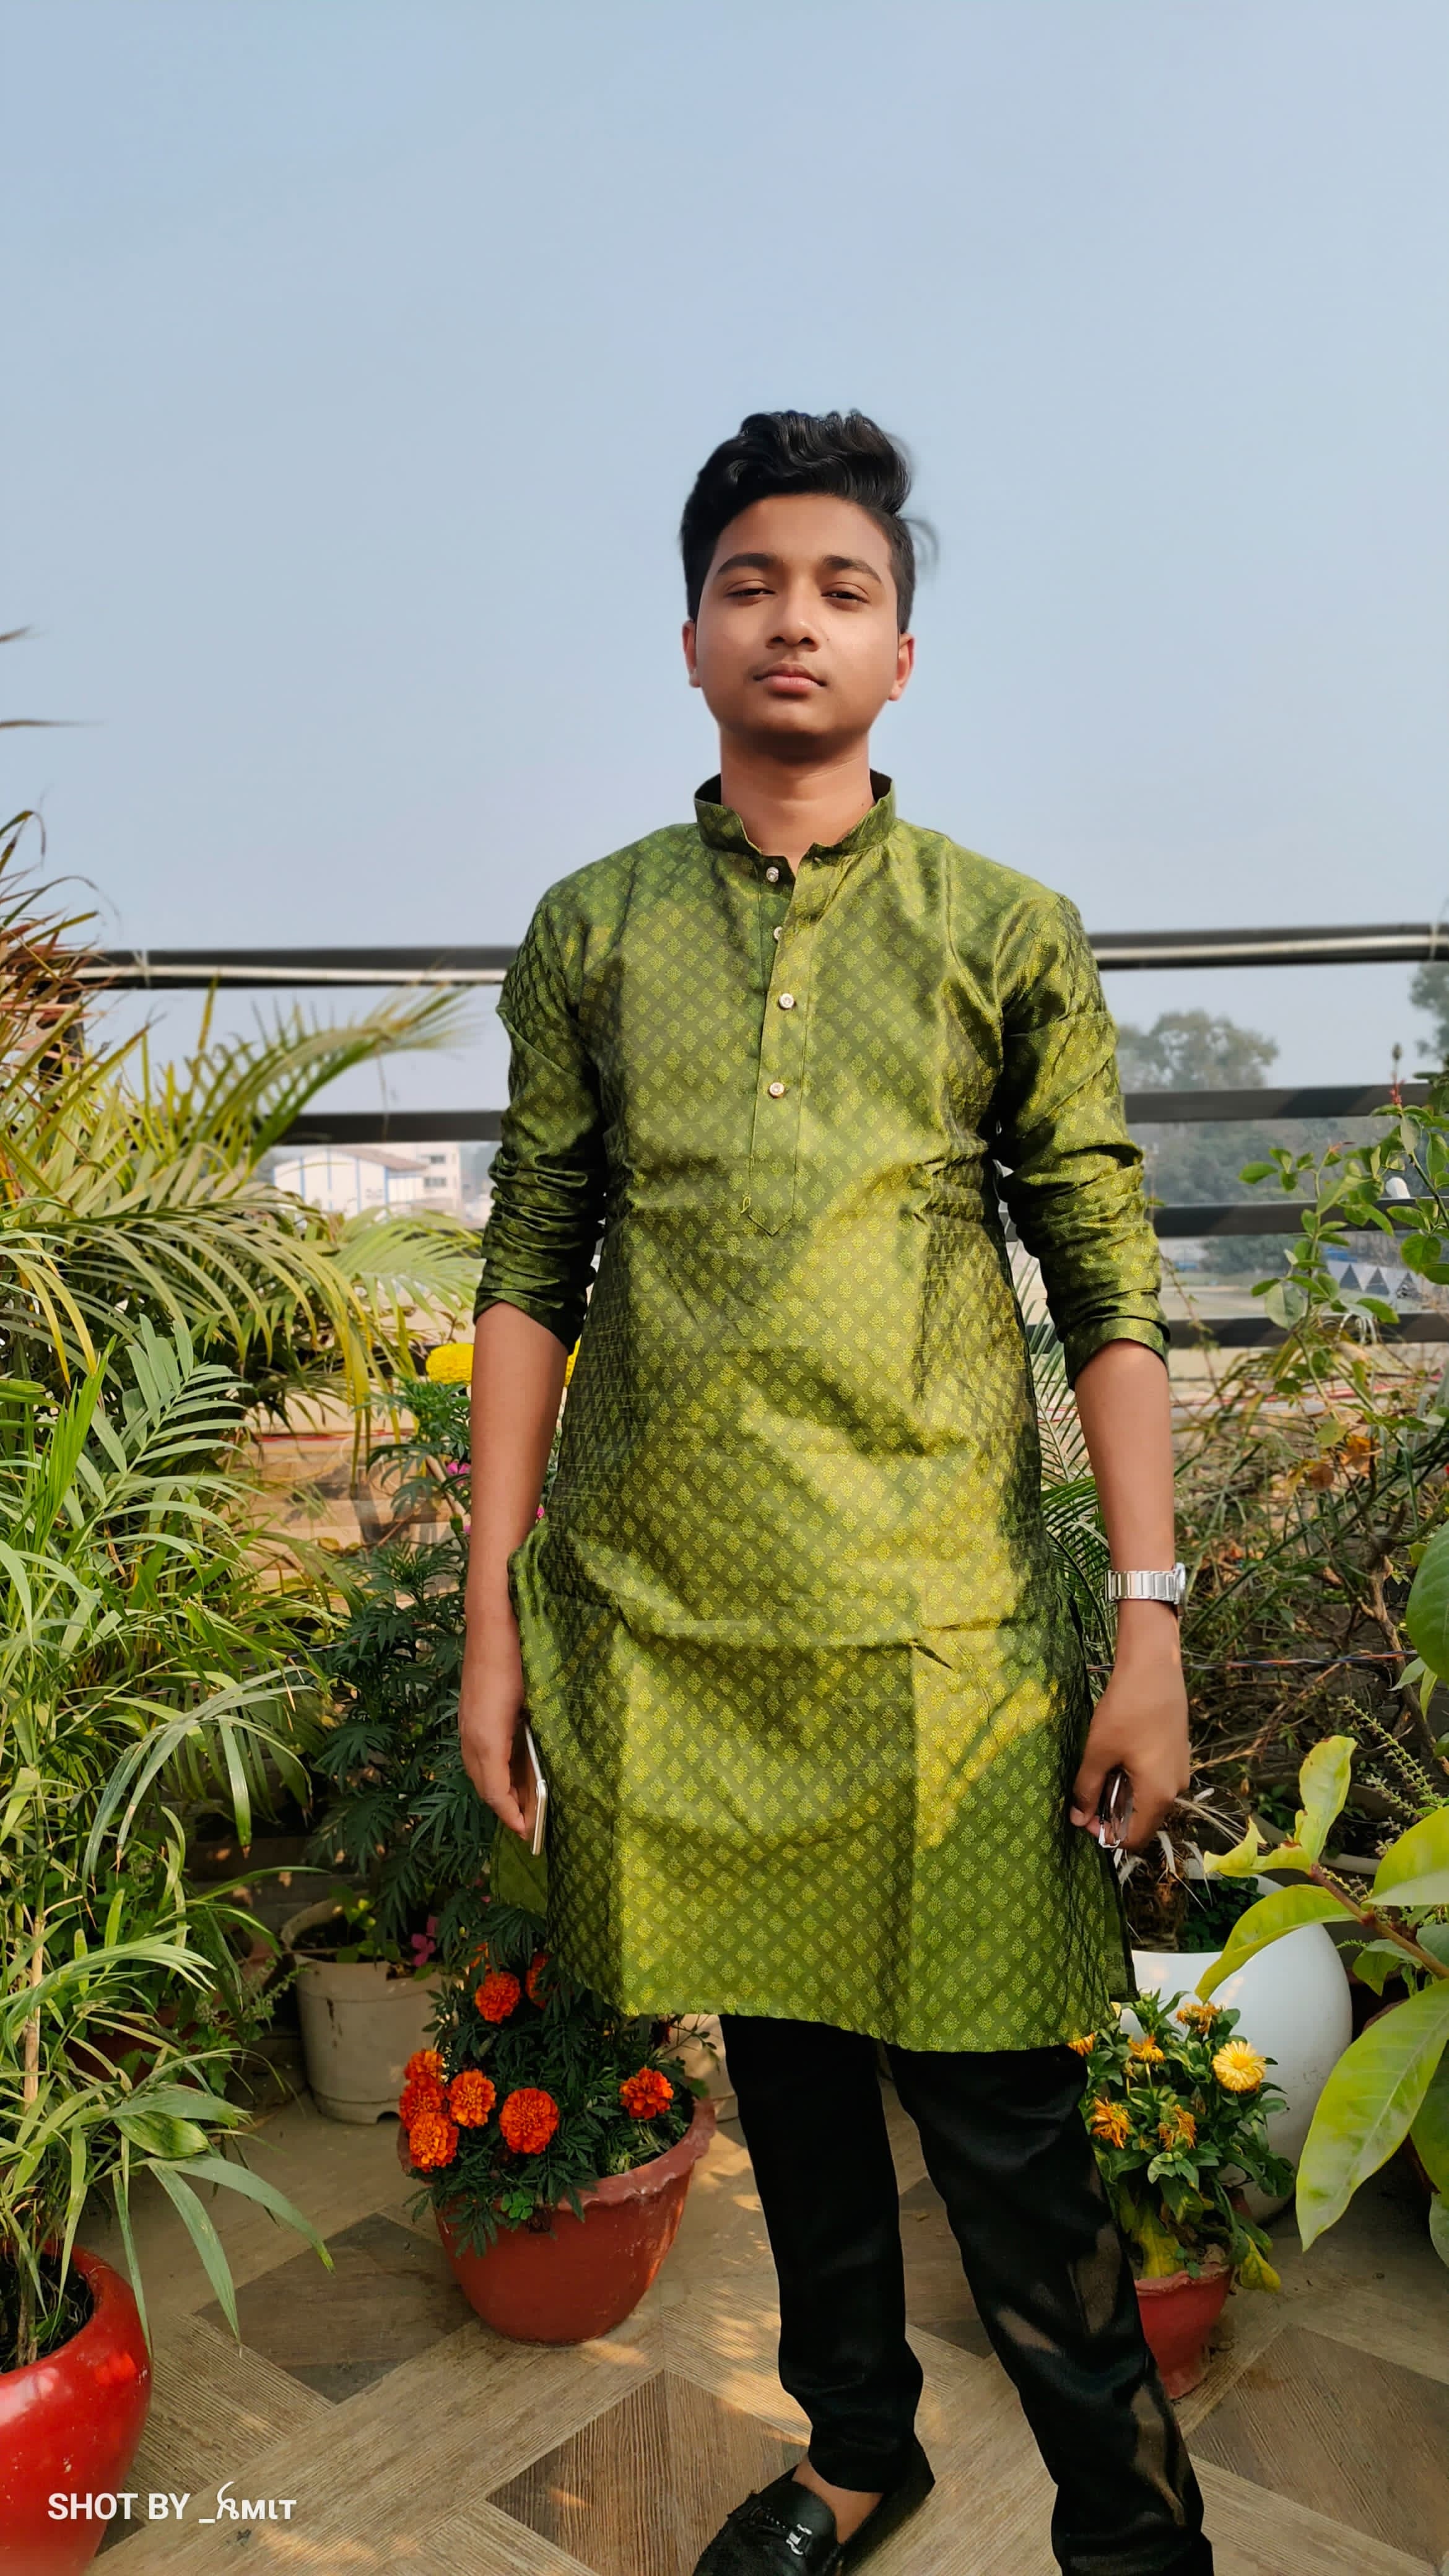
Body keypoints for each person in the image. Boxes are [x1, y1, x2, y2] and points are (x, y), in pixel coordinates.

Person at [459, 409, 1210, 2576]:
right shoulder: (595, 931)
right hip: (677, 1630)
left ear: (899, 656)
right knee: (783, 2085)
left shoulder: (1001, 931)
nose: (793, 617)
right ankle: (857, 2452)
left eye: (843, 588)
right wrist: (496, 1614)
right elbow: (531, 1262)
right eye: (750, 583)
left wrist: (1146, 1618)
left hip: (937, 1631)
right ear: (692, 636)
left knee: (1007, 2127)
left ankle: (1135, 2542)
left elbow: (1105, 1282)